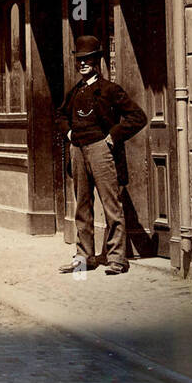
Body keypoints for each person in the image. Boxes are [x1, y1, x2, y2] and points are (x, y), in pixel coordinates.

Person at [53, 35, 147, 275]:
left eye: (88, 60)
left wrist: (112, 137)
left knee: (111, 205)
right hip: (78, 151)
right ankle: (84, 257)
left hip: (101, 151)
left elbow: (138, 117)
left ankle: (116, 259)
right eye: (80, 60)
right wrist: (70, 134)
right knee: (82, 207)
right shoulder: (74, 92)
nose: (83, 64)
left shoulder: (110, 90)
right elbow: (60, 116)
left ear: (96, 61)